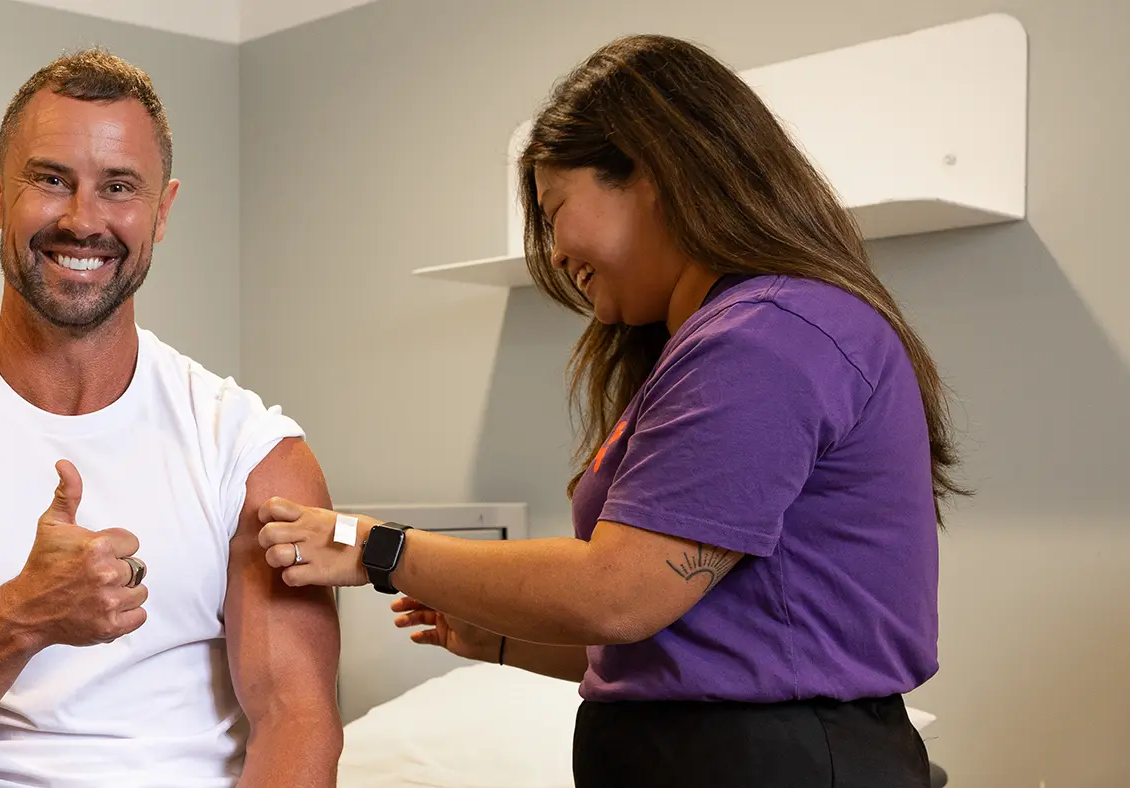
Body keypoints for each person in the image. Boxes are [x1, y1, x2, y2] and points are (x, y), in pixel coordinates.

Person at [255, 33, 963, 788]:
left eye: (556, 210)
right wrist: (498, 641)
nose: (555, 253)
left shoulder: (768, 337)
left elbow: (621, 591)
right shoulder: (723, 342)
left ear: (652, 174)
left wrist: (378, 549)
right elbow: (681, 638)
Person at [0, 49, 342, 788]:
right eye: (51, 180)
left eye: (119, 187)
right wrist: (20, 616)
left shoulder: (251, 452)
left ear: (163, 210)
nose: (83, 220)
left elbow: (296, 723)